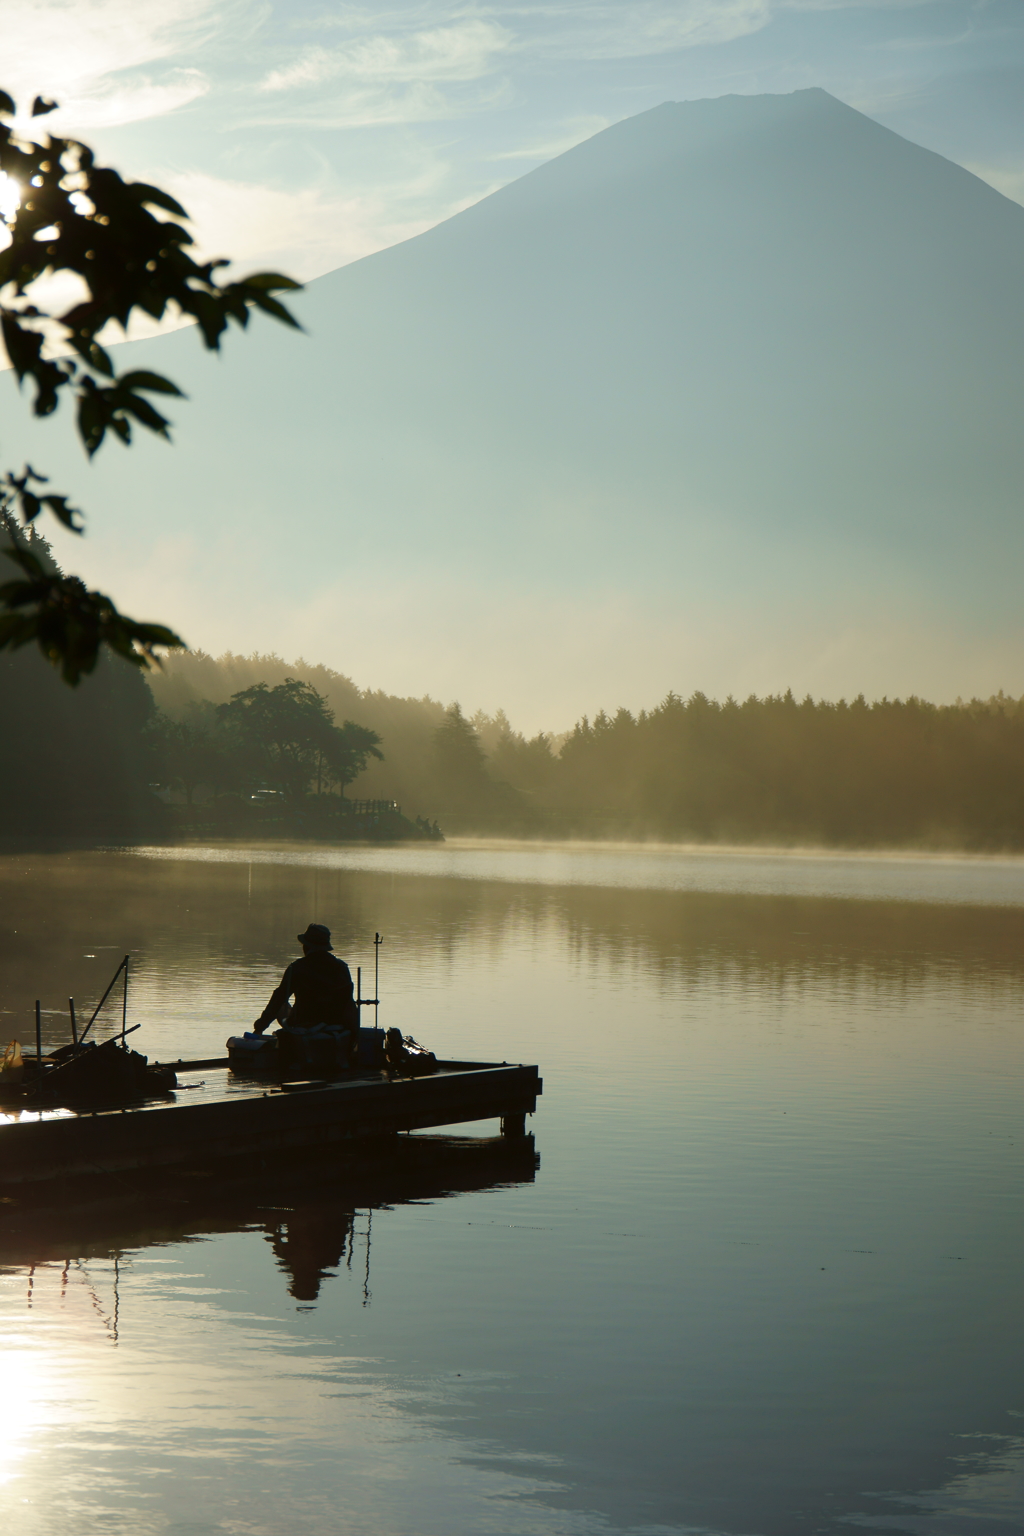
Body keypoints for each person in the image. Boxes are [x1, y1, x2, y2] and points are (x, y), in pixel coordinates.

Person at [254, 924, 359, 1070]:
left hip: (304, 1023)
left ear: (306, 947)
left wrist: (260, 1026)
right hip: (336, 1022)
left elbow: (279, 998)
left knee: (283, 1006)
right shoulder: (341, 967)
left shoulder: (297, 967)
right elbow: (349, 1002)